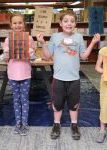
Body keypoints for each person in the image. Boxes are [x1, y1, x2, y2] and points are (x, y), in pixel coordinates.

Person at [37, 11, 100, 140]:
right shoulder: (55, 37)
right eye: (66, 21)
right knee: (57, 103)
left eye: (72, 21)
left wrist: (93, 43)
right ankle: (56, 124)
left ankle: (74, 124)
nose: (69, 23)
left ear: (75, 24)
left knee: (74, 103)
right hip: (59, 78)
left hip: (74, 79)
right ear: (60, 23)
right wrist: (43, 43)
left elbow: (83, 56)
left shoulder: (79, 37)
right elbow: (47, 56)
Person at [3, 13, 35, 136]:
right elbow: (6, 59)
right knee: (16, 99)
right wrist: (6, 52)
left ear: (24, 24)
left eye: (20, 23)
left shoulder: (29, 39)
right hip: (13, 74)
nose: (17, 25)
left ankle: (25, 123)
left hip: (25, 73)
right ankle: (18, 123)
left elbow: (32, 56)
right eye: (15, 23)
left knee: (25, 99)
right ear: (11, 25)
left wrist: (31, 53)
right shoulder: (7, 40)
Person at [95, 46, 107, 143]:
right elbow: (97, 67)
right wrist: (105, 71)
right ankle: (102, 130)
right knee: (104, 105)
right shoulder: (103, 51)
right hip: (106, 84)